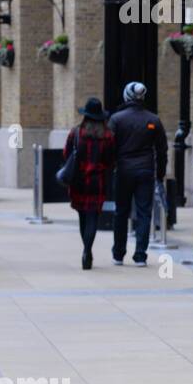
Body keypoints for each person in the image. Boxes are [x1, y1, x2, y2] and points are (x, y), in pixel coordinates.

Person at [108, 81, 167, 267]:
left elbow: (110, 147)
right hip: (145, 171)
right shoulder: (153, 120)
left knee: (121, 212)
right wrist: (159, 174)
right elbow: (162, 150)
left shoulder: (117, 119)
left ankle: (118, 253)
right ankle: (140, 254)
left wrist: (111, 168)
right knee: (144, 213)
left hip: (123, 171)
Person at [63, 97, 117, 270]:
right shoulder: (108, 135)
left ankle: (87, 250)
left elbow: (66, 154)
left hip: (79, 180)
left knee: (82, 216)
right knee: (93, 216)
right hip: (98, 181)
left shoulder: (76, 133)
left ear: (85, 115)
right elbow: (111, 160)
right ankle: (87, 250)